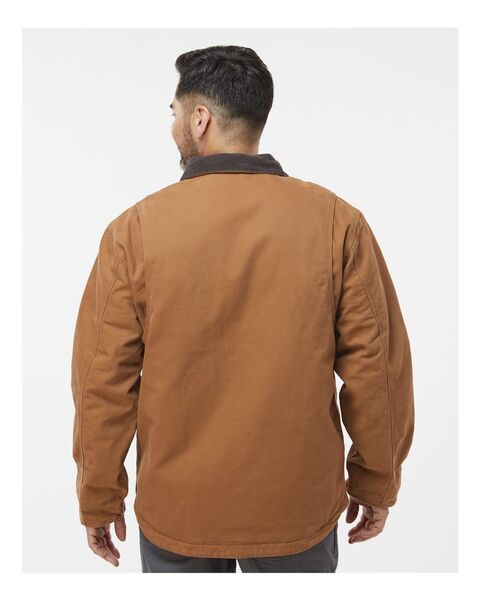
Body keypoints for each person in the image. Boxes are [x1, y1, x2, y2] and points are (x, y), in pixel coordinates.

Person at [71, 45, 415, 573]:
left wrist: (98, 495)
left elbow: (102, 381)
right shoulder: (336, 223)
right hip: (296, 507)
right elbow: (378, 373)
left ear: (200, 119)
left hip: (179, 509)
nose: (173, 127)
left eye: (174, 114)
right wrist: (376, 481)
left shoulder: (134, 232)